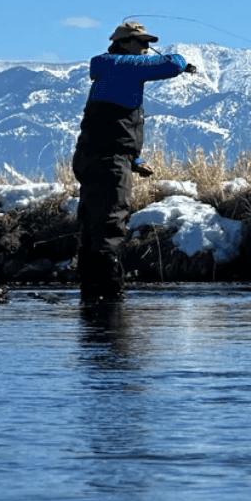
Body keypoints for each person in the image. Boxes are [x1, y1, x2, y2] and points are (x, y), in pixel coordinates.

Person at [72, 21, 196, 303]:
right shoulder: (123, 64)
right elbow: (172, 66)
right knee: (111, 225)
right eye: (141, 42)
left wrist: (134, 159)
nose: (146, 48)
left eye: (148, 43)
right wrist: (182, 61)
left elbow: (109, 124)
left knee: (93, 225)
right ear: (124, 43)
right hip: (109, 162)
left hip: (94, 158)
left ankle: (90, 294)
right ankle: (110, 295)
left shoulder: (111, 70)